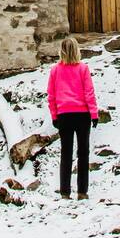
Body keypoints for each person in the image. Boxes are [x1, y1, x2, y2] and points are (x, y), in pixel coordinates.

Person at [47, 35, 98, 200]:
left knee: (66, 153)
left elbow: (51, 95)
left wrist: (54, 116)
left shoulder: (55, 70)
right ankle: (82, 192)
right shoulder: (83, 69)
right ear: (77, 50)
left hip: (64, 116)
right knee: (83, 153)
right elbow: (89, 93)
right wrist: (94, 114)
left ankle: (65, 192)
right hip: (82, 115)